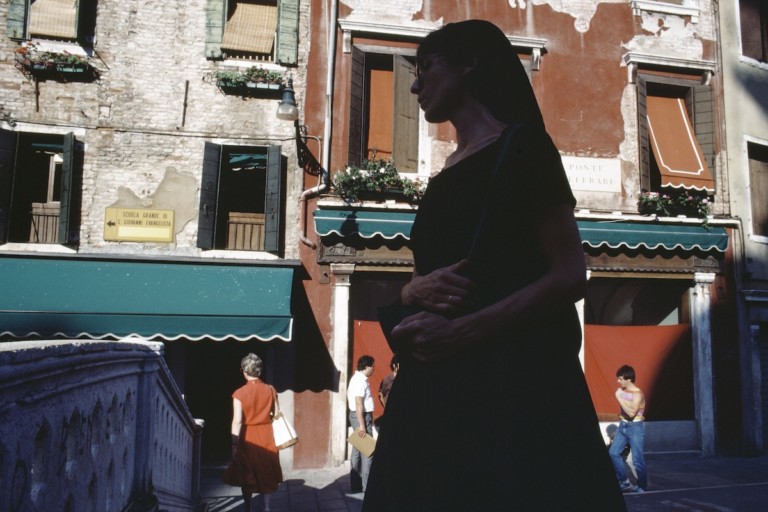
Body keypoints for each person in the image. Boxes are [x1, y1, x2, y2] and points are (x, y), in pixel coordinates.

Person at [363, 20, 626, 511]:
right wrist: (410, 293)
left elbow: (570, 273)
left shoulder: (524, 148)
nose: (415, 86)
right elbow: (425, 276)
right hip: (435, 392)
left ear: (468, 64)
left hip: (510, 389)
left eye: (425, 67)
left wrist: (463, 332)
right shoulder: (443, 174)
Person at [222, 353, 283, 512]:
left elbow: (237, 421)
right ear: (259, 371)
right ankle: (267, 508)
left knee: (247, 473)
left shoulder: (239, 393)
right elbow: (277, 413)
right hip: (267, 434)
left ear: (244, 371)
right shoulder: (270, 389)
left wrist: (234, 444)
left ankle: (248, 507)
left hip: (247, 436)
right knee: (267, 472)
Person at [609, 364, 647, 493]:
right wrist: (619, 428)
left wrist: (619, 398)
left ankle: (642, 486)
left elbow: (631, 413)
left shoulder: (638, 394)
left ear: (628, 379)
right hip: (623, 426)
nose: (618, 381)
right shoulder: (623, 392)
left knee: (637, 460)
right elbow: (625, 413)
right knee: (613, 453)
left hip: (635, 427)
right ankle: (624, 481)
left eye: (620, 378)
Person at [348, 355, 375, 493]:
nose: (373, 369)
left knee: (357, 450)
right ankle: (367, 487)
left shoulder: (356, 379)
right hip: (361, 417)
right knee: (368, 451)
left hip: (358, 416)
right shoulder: (360, 381)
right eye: (372, 367)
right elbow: (359, 403)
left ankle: (356, 485)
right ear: (367, 367)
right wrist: (362, 425)